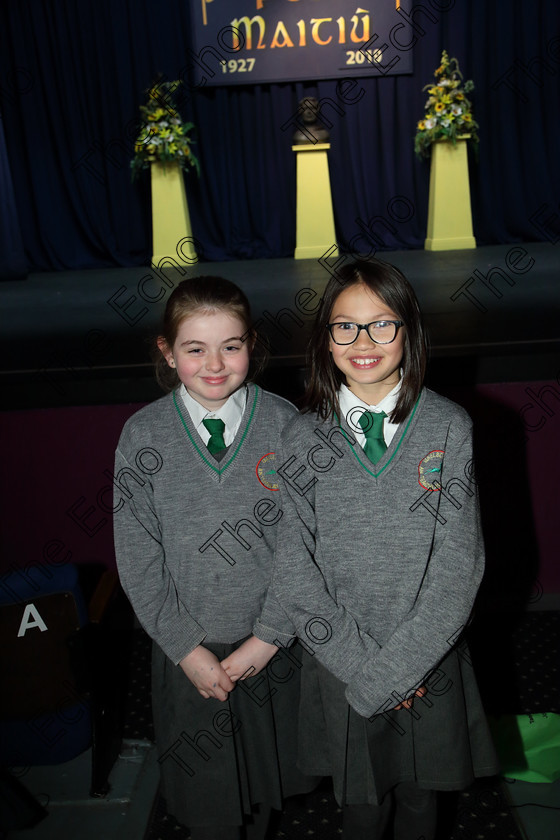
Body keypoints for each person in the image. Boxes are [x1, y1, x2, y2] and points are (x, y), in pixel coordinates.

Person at [268, 259, 500, 840]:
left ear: (410, 332)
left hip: (428, 659)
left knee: (423, 801)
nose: (363, 342)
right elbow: (296, 573)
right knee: (362, 809)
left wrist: (400, 669)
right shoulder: (301, 437)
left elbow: (459, 566)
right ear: (325, 338)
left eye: (382, 324)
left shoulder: (449, 427)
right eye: (345, 326)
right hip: (340, 665)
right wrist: (365, 673)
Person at [113, 276, 314, 840]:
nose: (216, 364)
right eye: (195, 348)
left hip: (270, 646)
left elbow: (305, 544)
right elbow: (137, 557)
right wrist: (184, 648)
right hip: (189, 657)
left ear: (252, 342)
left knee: (266, 789)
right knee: (208, 805)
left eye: (232, 345)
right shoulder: (141, 436)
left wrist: (271, 636)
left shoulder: (286, 425)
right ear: (167, 351)